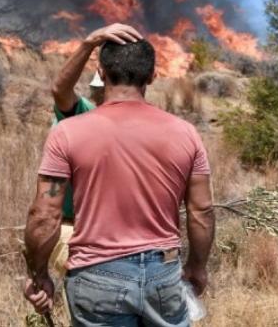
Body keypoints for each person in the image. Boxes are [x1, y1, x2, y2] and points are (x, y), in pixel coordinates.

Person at [24, 37, 216, 327]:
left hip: (96, 276)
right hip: (163, 274)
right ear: (152, 75)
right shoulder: (186, 133)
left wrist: (38, 276)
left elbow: (44, 215)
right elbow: (201, 211)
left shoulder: (68, 132)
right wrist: (197, 267)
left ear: (101, 72)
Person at [47, 23, 144, 279]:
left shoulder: (135, 122)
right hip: (76, 231)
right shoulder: (81, 113)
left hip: (119, 240)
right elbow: (60, 91)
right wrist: (89, 44)